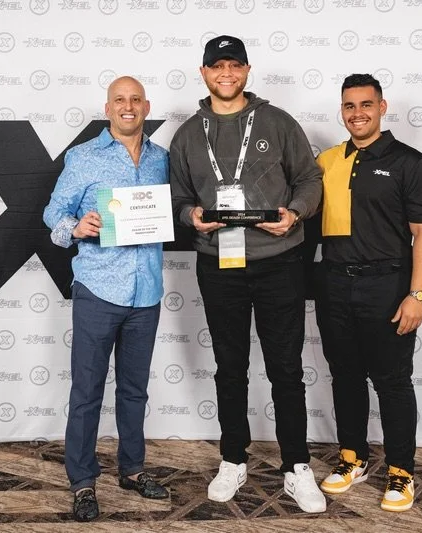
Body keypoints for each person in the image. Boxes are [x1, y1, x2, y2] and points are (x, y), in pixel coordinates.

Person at [169, 35, 326, 513]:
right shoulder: (188, 134)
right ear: (203, 73)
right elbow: (178, 196)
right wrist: (192, 215)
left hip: (279, 260)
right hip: (220, 264)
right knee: (230, 366)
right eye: (217, 66)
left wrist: (296, 213)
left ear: (247, 70)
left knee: (285, 368)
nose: (226, 73)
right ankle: (233, 458)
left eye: (234, 65)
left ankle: (296, 465)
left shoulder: (277, 122)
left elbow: (310, 179)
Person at [43, 76, 170, 522]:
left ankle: (132, 470)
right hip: (98, 289)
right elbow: (53, 214)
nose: (128, 106)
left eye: (135, 99)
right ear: (108, 108)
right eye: (120, 100)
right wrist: (74, 228)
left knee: (135, 391)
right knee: (87, 392)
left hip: (147, 292)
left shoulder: (162, 159)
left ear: (146, 106)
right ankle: (82, 480)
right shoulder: (82, 157)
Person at [314, 73, 422, 512]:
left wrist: (417, 295)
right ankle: (353, 458)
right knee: (345, 375)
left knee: (392, 381)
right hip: (333, 284)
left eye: (366, 105)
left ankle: (401, 471)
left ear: (382, 107)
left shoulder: (409, 162)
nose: (357, 114)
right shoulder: (327, 160)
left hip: (387, 286)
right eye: (349, 106)